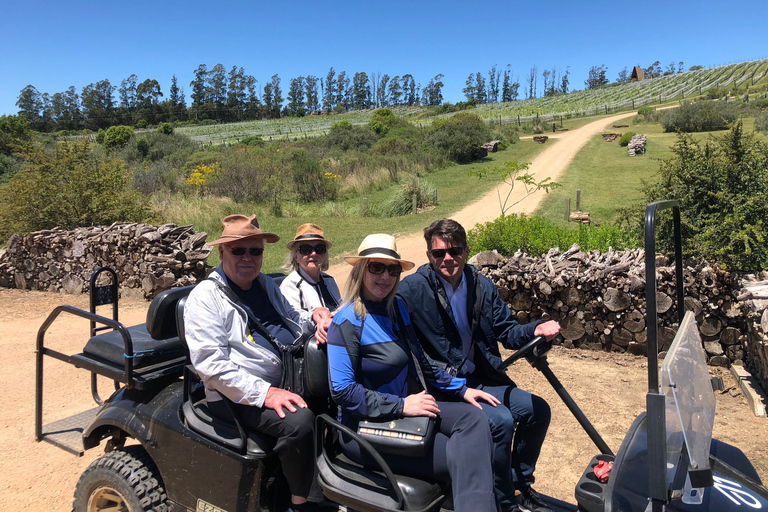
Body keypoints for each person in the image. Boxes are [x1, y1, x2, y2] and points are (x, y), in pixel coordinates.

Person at [326, 234, 501, 512]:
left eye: (392, 270)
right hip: (364, 428)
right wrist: (403, 405)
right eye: (376, 267)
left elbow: (421, 360)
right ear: (361, 270)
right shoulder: (346, 321)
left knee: (473, 419)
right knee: (469, 457)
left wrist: (461, 389)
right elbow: (343, 391)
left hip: (406, 412)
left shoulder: (396, 310)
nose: (385, 276)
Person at [397, 219, 562, 512]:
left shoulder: (481, 286)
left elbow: (508, 331)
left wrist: (535, 329)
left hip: (481, 379)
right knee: (501, 422)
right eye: (439, 254)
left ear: (466, 251)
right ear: (429, 256)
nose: (448, 259)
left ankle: (519, 484)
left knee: (538, 411)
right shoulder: (412, 290)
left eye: (455, 251)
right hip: (445, 387)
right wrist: (330, 318)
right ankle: (502, 501)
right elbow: (376, 307)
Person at [183, 214, 331, 512]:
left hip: (287, 374)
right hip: (236, 394)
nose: (248, 258)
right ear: (222, 252)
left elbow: (291, 320)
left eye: (256, 251)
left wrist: (314, 317)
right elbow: (211, 366)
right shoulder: (205, 298)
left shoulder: (264, 284)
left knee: (338, 394)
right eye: (239, 250)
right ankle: (302, 503)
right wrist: (266, 393)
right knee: (300, 422)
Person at [280, 223, 341, 314]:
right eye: (305, 249)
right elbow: (297, 322)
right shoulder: (291, 285)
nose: (313, 254)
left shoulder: (330, 280)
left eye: (319, 249)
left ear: (325, 255)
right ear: (296, 256)